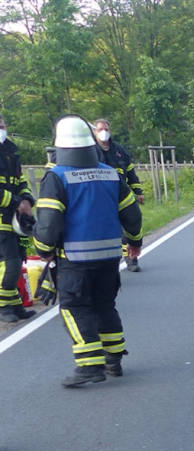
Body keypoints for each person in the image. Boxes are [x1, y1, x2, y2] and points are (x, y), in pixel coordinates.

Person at [33, 115, 143, 387]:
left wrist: (43, 249)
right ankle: (114, 359)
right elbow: (132, 215)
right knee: (105, 304)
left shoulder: (56, 177)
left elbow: (48, 224)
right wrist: (135, 242)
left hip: (75, 260)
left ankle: (89, 365)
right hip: (109, 258)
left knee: (74, 308)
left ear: (59, 148)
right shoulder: (110, 174)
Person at [93, 118, 144, 272]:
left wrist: (138, 192)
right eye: (100, 129)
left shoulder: (119, 151)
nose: (104, 132)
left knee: (128, 225)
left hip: (121, 195)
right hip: (100, 198)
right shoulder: (90, 152)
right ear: (94, 132)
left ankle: (131, 258)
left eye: (106, 129)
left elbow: (131, 173)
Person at [0, 114, 36, 323]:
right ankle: (4, 307)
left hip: (14, 220)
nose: (1, 129)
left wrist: (27, 199)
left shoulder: (11, 150)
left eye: (2, 125)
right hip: (2, 220)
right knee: (10, 264)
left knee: (17, 261)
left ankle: (15, 305)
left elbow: (20, 179)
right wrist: (17, 202)